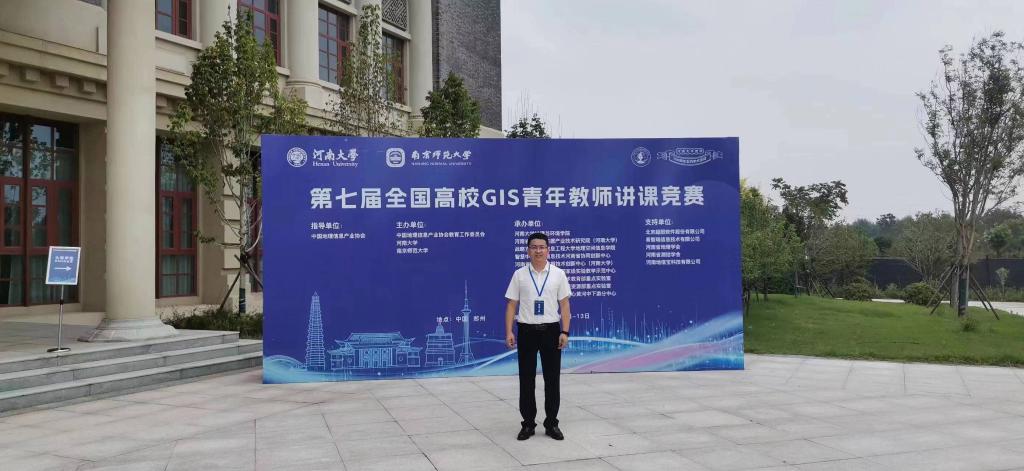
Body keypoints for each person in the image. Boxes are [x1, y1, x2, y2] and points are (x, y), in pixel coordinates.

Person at [505, 232, 572, 441]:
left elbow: (565, 305)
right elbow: (511, 305)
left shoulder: (558, 274)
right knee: (526, 379)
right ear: (528, 251)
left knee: (552, 379)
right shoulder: (519, 275)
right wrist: (509, 331)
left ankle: (552, 423)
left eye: (542, 247)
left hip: (551, 331)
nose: (538, 251)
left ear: (548, 250)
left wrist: (565, 331)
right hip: (526, 331)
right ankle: (528, 424)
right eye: (534, 247)